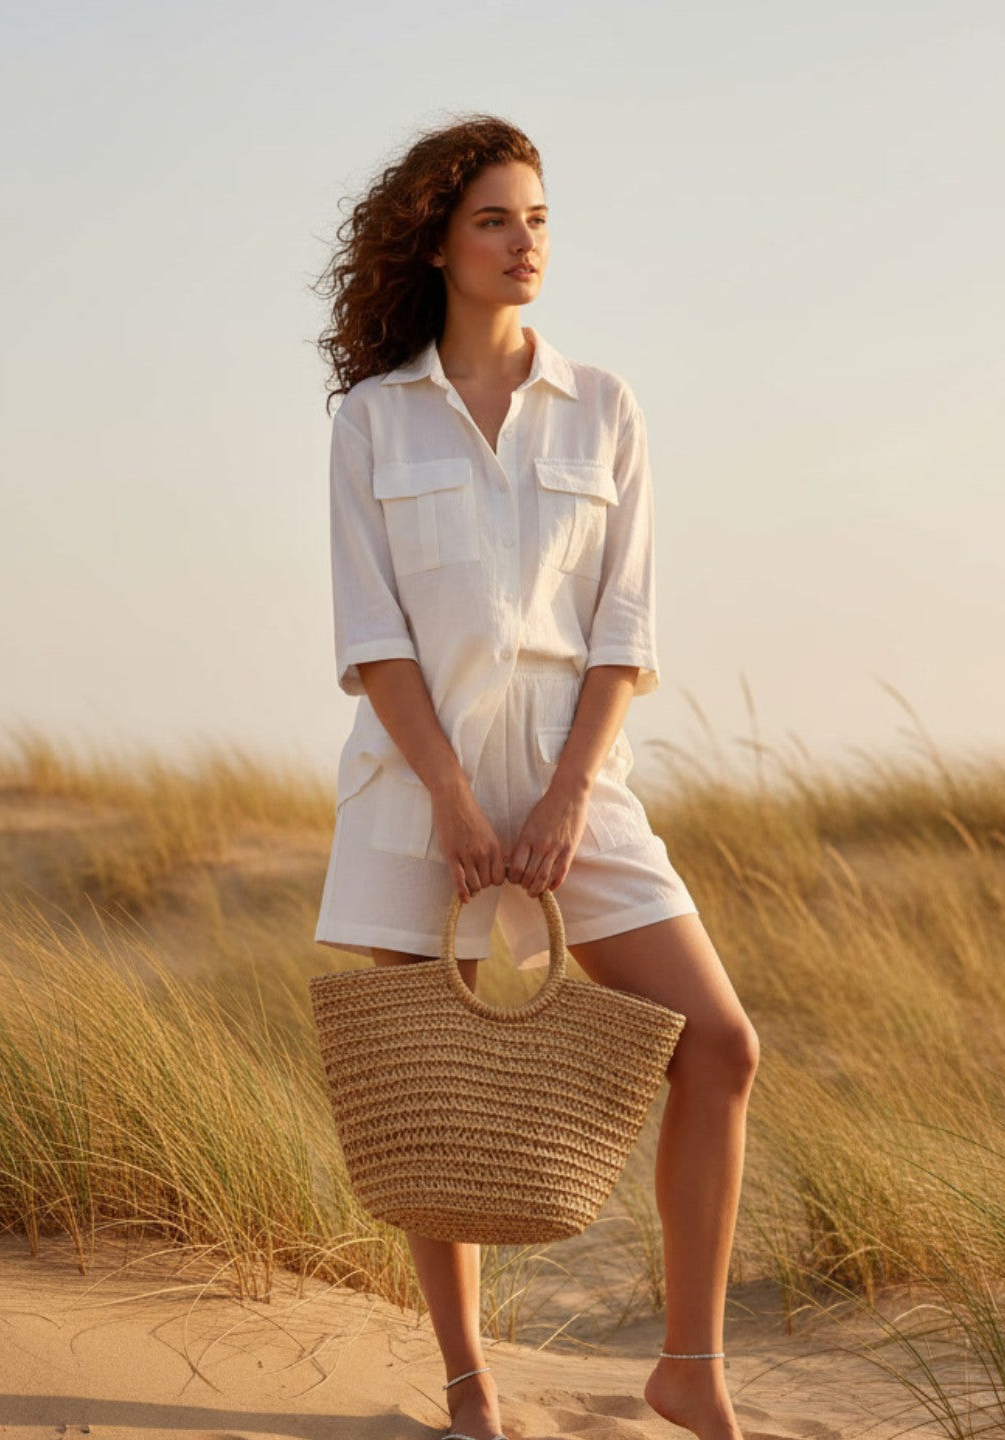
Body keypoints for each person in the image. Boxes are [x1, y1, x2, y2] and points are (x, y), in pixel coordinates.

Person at [311, 113, 760, 1440]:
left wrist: (565, 796)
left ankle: (690, 1365)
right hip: (413, 798)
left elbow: (626, 634)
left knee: (722, 1045)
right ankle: (467, 1386)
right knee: (437, 1096)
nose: (526, 244)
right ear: (439, 242)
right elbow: (371, 639)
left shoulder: (605, 407)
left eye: (541, 219)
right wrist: (453, 801)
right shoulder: (373, 424)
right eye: (497, 219)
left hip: (582, 793)